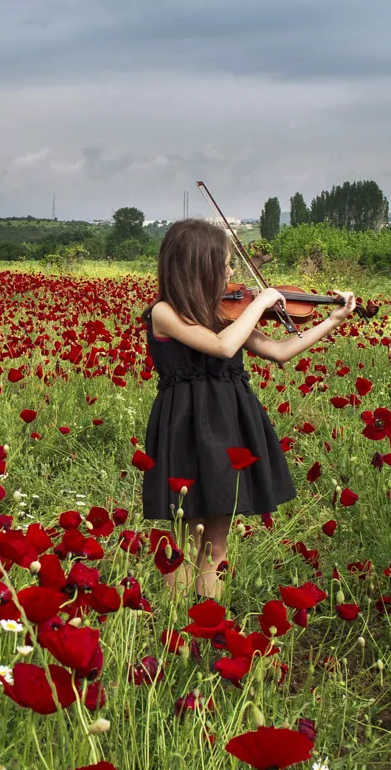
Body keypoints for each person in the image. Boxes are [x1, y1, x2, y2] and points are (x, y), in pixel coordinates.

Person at [141, 218, 356, 600]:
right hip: (186, 429)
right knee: (185, 539)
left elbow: (278, 351)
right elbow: (222, 347)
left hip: (228, 424)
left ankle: (206, 624)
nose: (231, 272)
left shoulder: (225, 313)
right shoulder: (165, 313)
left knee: (217, 542)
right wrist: (260, 302)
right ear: (199, 265)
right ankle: (173, 631)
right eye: (224, 264)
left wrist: (332, 320)